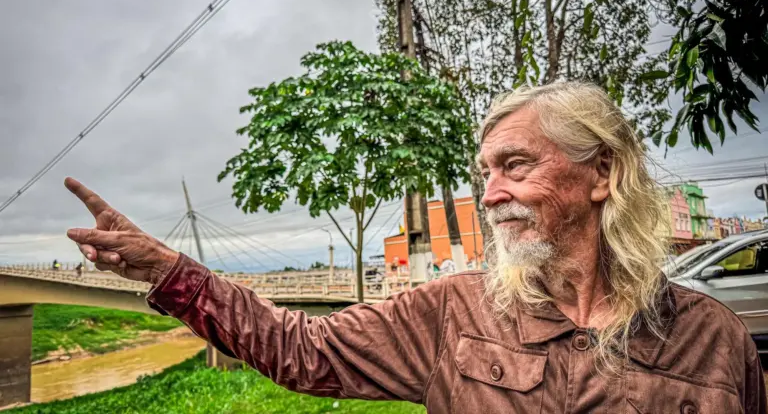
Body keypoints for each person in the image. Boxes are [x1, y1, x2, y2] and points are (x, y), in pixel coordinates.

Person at [63, 82, 765, 413]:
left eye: (515, 167)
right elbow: (300, 349)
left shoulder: (714, 341)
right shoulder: (450, 313)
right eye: (484, 174)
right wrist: (168, 272)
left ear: (601, 175)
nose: (490, 195)